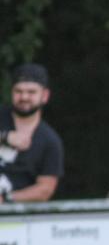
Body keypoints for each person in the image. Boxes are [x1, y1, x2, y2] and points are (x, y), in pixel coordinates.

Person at [0, 63, 64, 204]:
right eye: (18, 91)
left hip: (17, 218)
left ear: (45, 95)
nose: (24, 97)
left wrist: (6, 199)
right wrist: (5, 137)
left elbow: (45, 189)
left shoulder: (50, 141)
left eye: (31, 92)